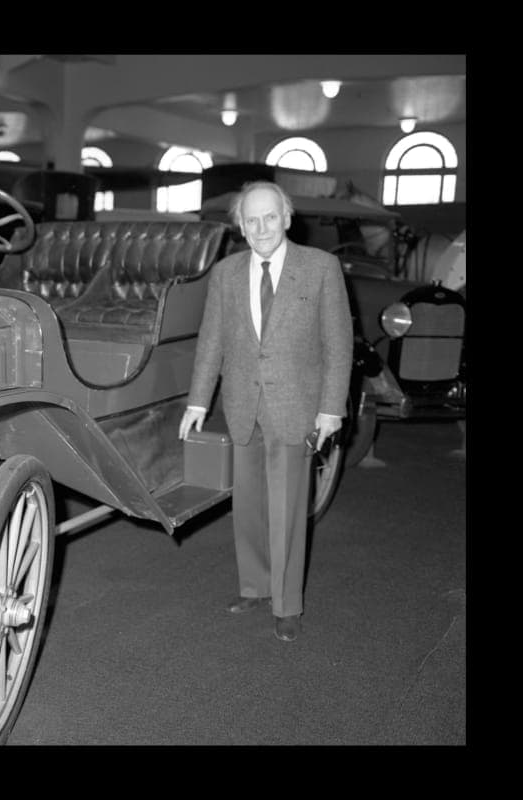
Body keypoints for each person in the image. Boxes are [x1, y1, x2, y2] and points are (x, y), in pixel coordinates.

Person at [178, 181, 352, 642]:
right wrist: (198, 401)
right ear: (240, 226)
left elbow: (338, 344)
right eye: (251, 220)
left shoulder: (320, 268)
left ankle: (286, 603)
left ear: (287, 218)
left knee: (290, 510)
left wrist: (331, 410)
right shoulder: (226, 273)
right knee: (249, 506)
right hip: (242, 406)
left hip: (297, 408)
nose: (262, 228)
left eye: (270, 217)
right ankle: (254, 587)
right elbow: (211, 341)